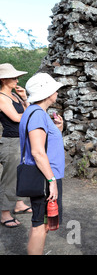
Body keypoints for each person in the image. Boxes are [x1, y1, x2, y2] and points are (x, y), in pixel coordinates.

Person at [19, 73, 65, 254]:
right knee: (41, 224)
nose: (57, 92)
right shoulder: (38, 115)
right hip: (44, 176)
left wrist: (57, 128)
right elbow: (37, 152)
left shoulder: (35, 112)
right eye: (55, 89)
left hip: (45, 174)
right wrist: (52, 181)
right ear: (46, 93)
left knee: (41, 222)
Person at [0, 63, 31, 228]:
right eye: (14, 77)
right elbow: (18, 118)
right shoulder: (1, 97)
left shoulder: (15, 96)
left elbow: (26, 110)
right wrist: (29, 110)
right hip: (11, 142)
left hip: (21, 140)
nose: (17, 80)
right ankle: (5, 213)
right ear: (3, 79)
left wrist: (25, 98)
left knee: (21, 174)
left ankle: (19, 204)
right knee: (9, 178)